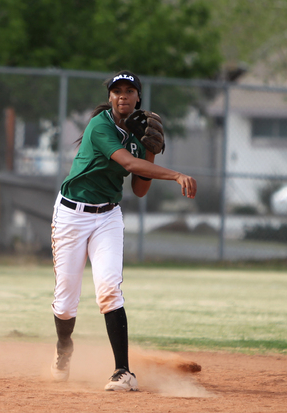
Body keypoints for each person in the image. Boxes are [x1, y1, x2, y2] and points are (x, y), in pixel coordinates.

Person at [49, 70, 197, 392]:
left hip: (107, 217)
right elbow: (129, 165)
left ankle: (122, 372)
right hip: (72, 215)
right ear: (111, 97)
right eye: (117, 91)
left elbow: (140, 190)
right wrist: (174, 175)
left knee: (109, 290)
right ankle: (64, 348)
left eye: (129, 91)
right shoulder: (100, 125)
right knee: (65, 303)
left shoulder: (136, 132)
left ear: (138, 98)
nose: (122, 96)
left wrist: (151, 150)